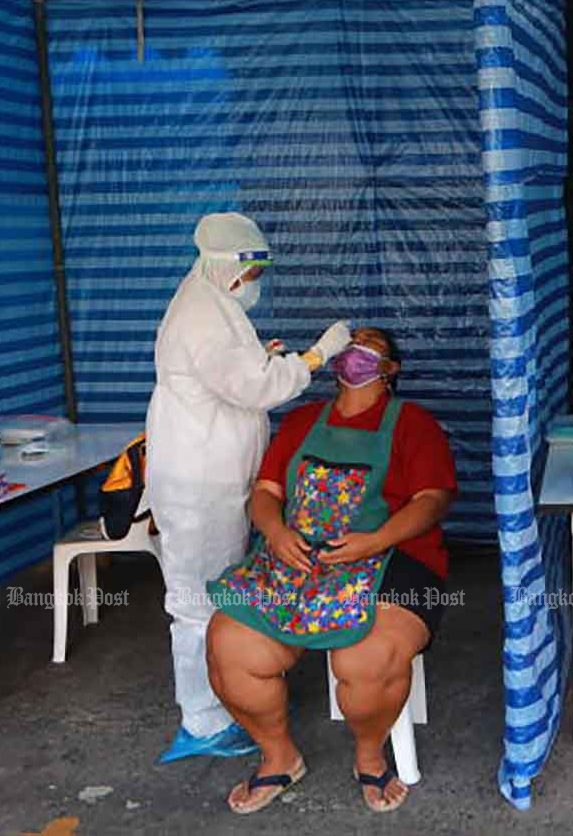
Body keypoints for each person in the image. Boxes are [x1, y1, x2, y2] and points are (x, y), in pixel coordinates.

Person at [206, 326, 455, 814]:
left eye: (371, 348)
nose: (355, 353)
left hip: (393, 558)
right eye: (351, 345)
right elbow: (267, 493)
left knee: (367, 660)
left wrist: (377, 539)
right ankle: (279, 756)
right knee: (227, 644)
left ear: (390, 370)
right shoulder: (301, 422)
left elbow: (433, 500)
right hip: (299, 559)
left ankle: (368, 754)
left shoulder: (413, 424)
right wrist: (276, 533)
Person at [146, 212, 353, 764]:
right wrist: (314, 357)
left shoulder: (212, 304)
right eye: (252, 270)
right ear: (225, 267)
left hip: (214, 473)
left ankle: (229, 694)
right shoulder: (202, 316)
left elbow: (235, 373)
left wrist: (263, 357)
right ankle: (204, 721)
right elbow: (255, 388)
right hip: (199, 485)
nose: (256, 281)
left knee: (217, 592)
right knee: (196, 603)